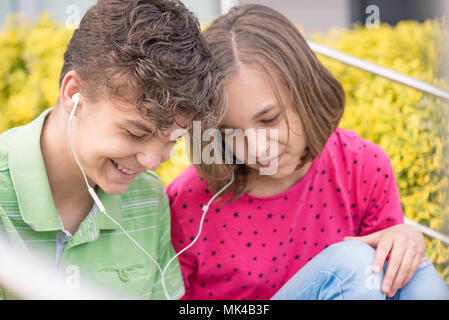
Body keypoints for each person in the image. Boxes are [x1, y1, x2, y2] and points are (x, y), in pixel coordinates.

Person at [167, 4, 449, 300]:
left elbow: (389, 287)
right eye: (229, 133)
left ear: (305, 93)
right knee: (354, 262)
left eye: (269, 119)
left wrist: (405, 239)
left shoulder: (362, 165)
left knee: (415, 275)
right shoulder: (189, 202)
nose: (257, 149)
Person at [0, 0, 222, 299]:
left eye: (173, 140)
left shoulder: (147, 198)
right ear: (73, 94)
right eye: (136, 133)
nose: (153, 162)